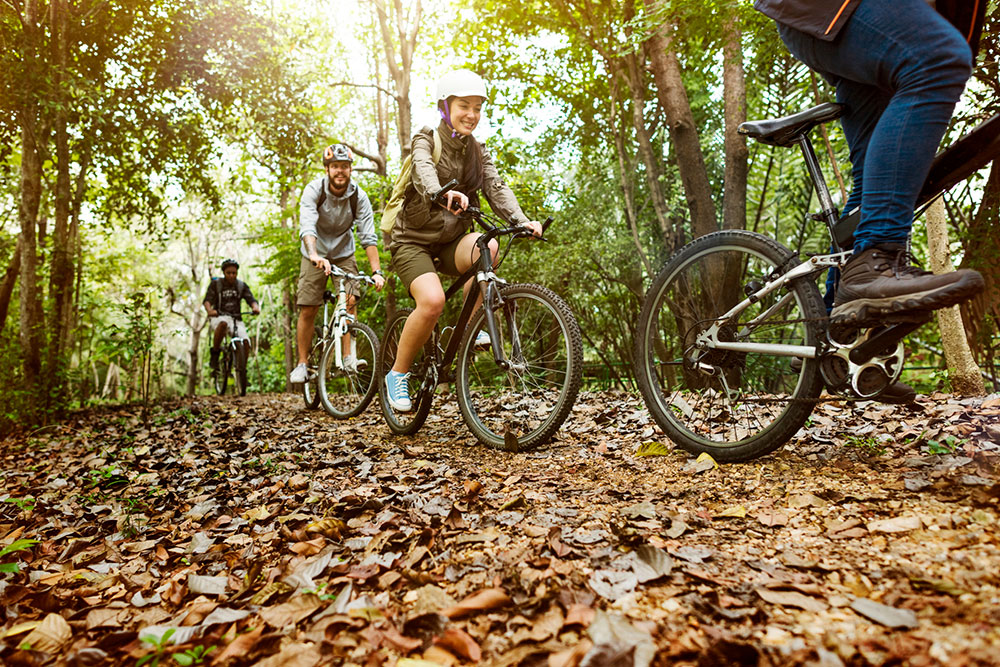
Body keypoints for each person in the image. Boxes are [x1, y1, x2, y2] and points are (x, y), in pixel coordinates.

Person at [755, 0, 986, 402]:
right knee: (939, 59)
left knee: (875, 188)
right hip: (832, 9)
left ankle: (831, 336)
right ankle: (873, 261)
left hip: (856, 15)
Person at [383, 70, 543, 412]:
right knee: (431, 302)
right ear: (445, 107)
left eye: (477, 107)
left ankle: (469, 329)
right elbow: (423, 170)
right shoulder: (426, 138)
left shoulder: (477, 152)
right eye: (463, 105)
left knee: (492, 247)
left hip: (451, 241)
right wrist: (441, 192)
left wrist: (521, 220)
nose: (472, 113)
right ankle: (397, 374)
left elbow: (496, 188)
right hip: (412, 241)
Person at [289, 143, 386, 384]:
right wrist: (313, 254)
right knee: (308, 306)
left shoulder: (358, 197)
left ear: (351, 169)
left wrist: (377, 271)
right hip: (315, 252)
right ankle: (302, 364)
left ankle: (348, 357)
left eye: (344, 166)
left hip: (344, 253)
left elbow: (368, 236)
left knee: (351, 299)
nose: (340, 171)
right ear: (327, 169)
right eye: (335, 166)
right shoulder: (314, 190)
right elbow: (308, 226)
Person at [204, 258, 260, 370]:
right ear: (224, 273)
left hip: (236, 319)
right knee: (223, 324)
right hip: (219, 316)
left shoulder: (241, 285)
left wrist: (255, 308)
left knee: (245, 342)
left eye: (234, 273)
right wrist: (210, 310)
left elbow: (251, 299)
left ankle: (242, 371)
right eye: (228, 273)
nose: (231, 275)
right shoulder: (216, 284)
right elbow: (207, 300)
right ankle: (215, 353)